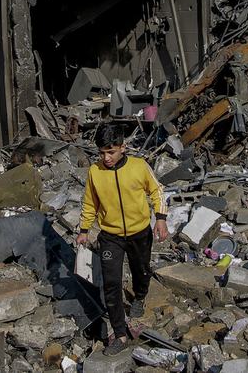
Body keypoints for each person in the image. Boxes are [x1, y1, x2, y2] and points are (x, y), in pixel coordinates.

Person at [76, 122, 168, 356]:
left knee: (141, 270)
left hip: (139, 232)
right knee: (111, 284)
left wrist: (160, 218)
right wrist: (84, 230)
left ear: (123, 147)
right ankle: (120, 334)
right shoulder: (94, 172)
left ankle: (140, 296)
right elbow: (90, 203)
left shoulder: (139, 167)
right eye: (101, 153)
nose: (106, 157)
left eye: (111, 152)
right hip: (111, 237)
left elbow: (157, 191)